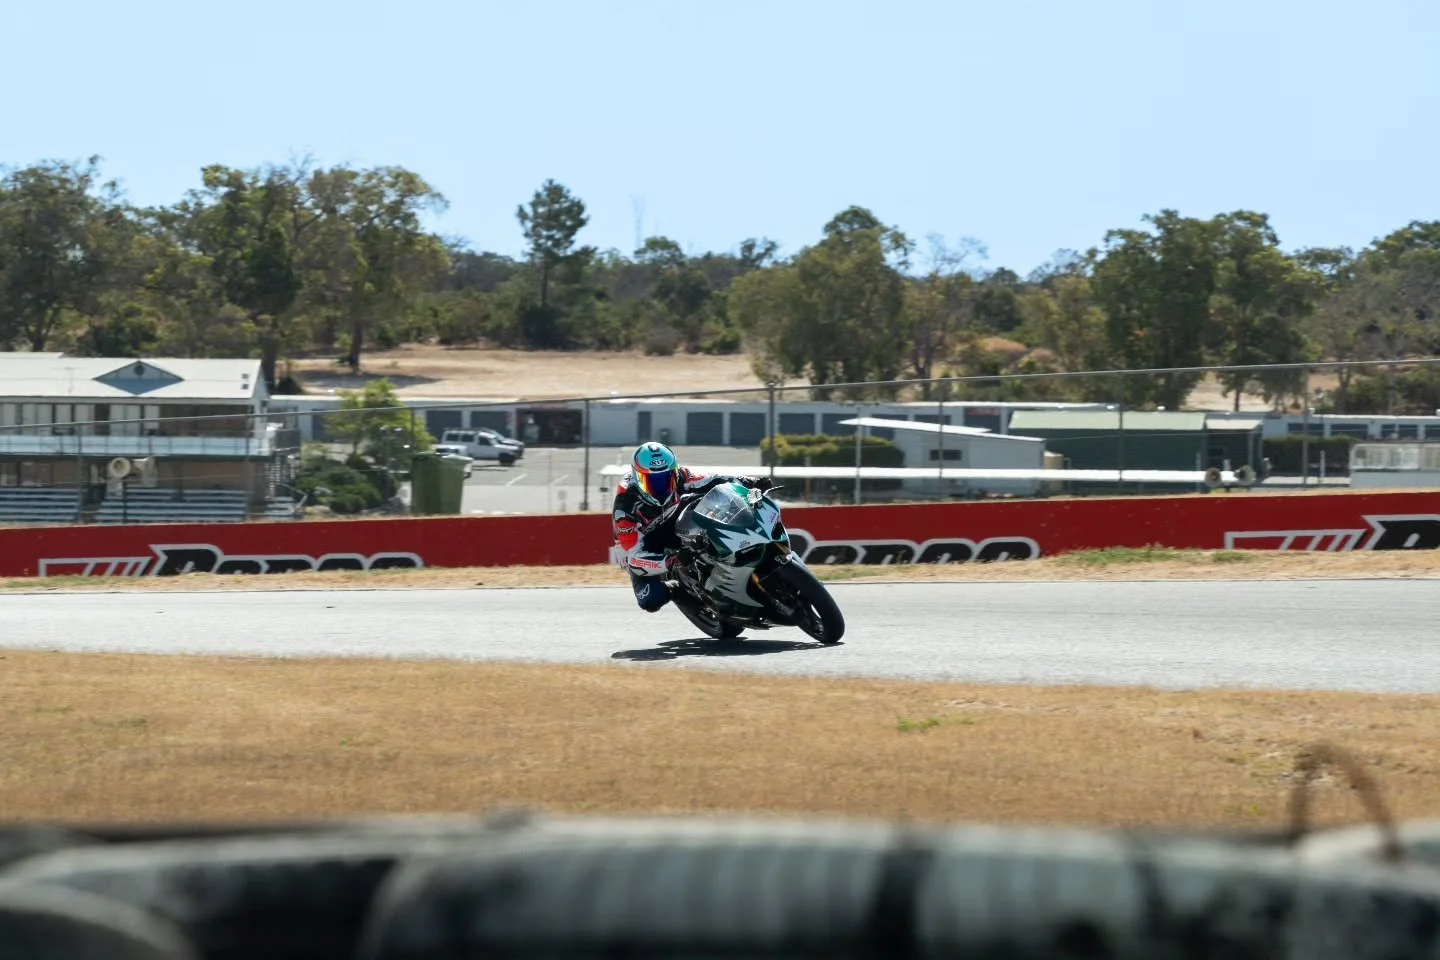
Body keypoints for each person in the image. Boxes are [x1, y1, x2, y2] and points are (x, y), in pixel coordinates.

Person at [612, 441, 767, 613]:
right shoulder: (624, 507)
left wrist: (750, 482)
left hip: (674, 516)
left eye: (666, 479)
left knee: (713, 502)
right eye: (651, 482)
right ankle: (679, 589)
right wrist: (670, 561)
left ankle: (726, 563)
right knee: (650, 599)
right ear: (637, 478)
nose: (660, 487)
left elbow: (715, 479)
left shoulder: (682, 475)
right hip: (645, 540)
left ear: (675, 472)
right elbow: (635, 559)